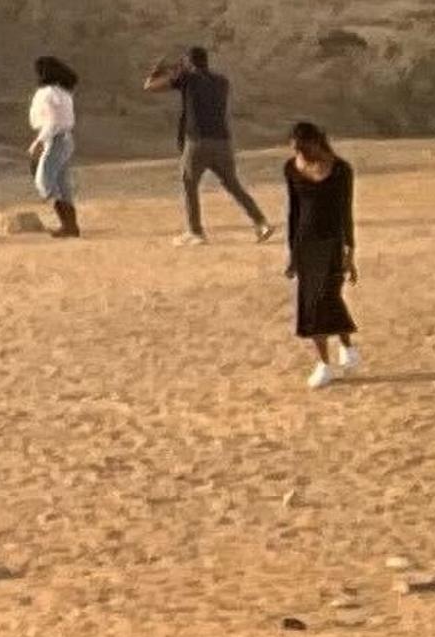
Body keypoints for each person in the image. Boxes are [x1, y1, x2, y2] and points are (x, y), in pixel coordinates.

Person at [145, 42, 269, 241]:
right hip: (222, 141)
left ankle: (195, 231)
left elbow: (150, 87)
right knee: (233, 185)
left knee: (189, 184)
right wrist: (180, 70)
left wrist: (158, 71)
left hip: (197, 141)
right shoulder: (222, 81)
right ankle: (261, 223)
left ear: (189, 62)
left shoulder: (187, 79)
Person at [281, 121, 361, 383]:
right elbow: (293, 212)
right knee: (311, 304)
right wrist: (292, 253)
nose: (299, 155)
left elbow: (345, 213)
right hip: (306, 243)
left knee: (327, 298)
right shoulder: (292, 169)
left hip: (331, 242)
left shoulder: (341, 170)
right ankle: (325, 363)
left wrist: (350, 251)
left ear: (317, 143)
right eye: (295, 150)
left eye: (304, 149)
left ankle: (347, 348)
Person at [26, 54, 81, 237]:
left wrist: (39, 141)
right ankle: (71, 225)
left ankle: (66, 224)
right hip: (65, 138)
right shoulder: (63, 92)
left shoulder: (47, 93)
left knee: (44, 181)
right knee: (63, 183)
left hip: (53, 138)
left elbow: (52, 122)